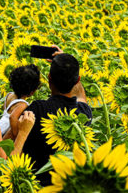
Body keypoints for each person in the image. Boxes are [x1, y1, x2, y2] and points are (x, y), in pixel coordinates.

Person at [22, 46, 93, 186]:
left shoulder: (37, 109)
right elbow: (81, 95)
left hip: (35, 186)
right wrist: (67, 63)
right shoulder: (84, 114)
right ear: (77, 79)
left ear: (49, 78)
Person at [0, 64, 40, 139]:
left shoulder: (9, 95)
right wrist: (16, 135)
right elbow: (12, 117)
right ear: (32, 92)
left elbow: (5, 110)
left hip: (0, 126)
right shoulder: (22, 104)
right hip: (4, 131)